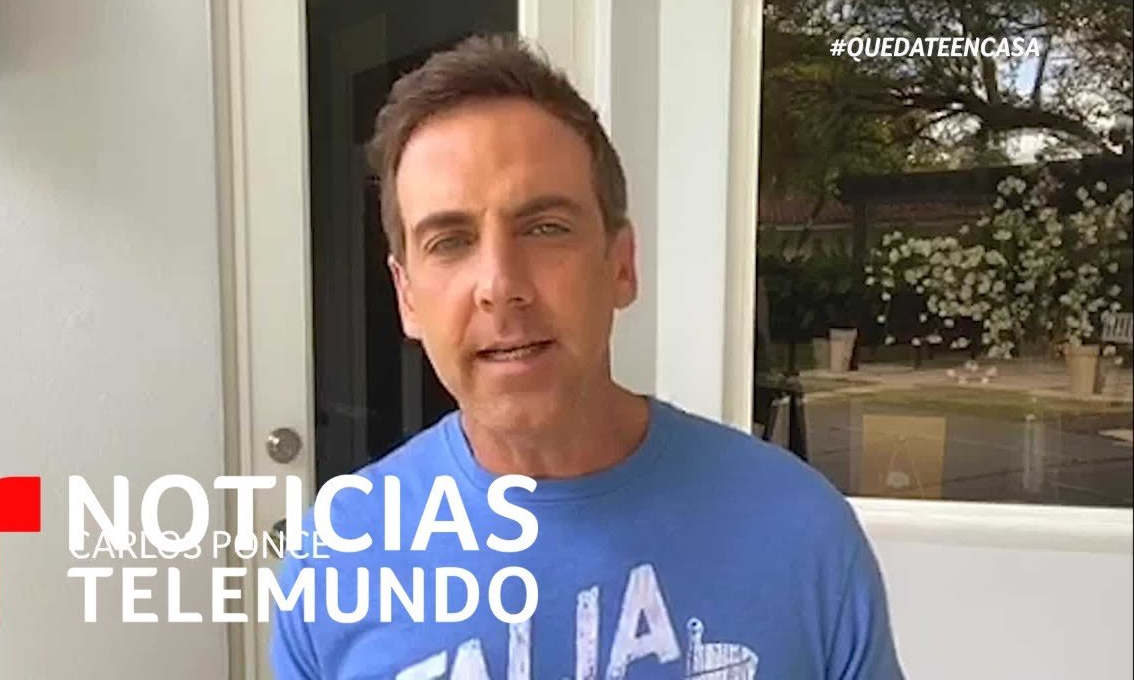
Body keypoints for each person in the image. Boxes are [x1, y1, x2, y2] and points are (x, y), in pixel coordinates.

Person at [272, 34, 904, 679]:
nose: (500, 285)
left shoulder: (798, 533)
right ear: (407, 295)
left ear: (621, 265)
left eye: (545, 228)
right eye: (450, 241)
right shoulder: (336, 561)